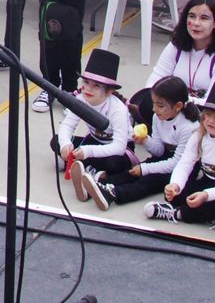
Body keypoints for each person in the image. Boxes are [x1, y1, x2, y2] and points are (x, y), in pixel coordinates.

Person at [82, 75, 197, 209]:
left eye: (160, 105)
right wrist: (146, 140)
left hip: (184, 167)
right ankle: (99, 186)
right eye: (153, 103)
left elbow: (177, 163)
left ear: (178, 106)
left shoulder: (189, 128)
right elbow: (159, 151)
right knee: (131, 172)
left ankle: (113, 194)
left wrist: (145, 169)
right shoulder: (157, 117)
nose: (154, 109)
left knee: (149, 180)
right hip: (167, 157)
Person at [145, 79, 215, 225]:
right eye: (208, 114)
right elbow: (184, 164)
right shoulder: (198, 136)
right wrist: (175, 185)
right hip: (207, 181)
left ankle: (177, 213)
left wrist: (207, 195)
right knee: (175, 195)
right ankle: (213, 218)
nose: (210, 121)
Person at [56, 48, 133, 195]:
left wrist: (88, 151)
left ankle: (89, 170)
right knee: (56, 141)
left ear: (109, 91)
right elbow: (67, 125)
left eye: (96, 85)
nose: (88, 89)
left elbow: (119, 147)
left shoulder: (118, 109)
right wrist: (65, 144)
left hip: (119, 149)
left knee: (115, 163)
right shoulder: (80, 99)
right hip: (95, 141)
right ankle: (87, 169)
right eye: (86, 82)